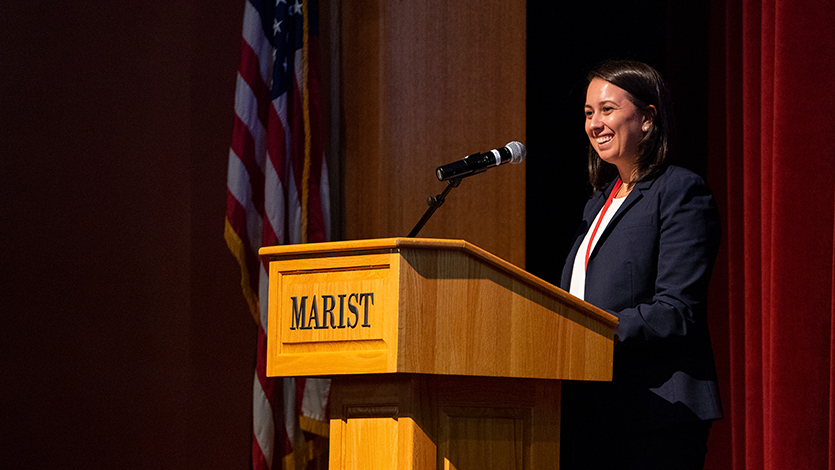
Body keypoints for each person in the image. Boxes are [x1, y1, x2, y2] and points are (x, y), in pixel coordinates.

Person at [559, 60, 722, 470]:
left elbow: (676, 310)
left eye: (608, 109)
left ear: (647, 118)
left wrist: (588, 332)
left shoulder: (680, 192)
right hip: (589, 411)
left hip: (655, 415)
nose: (595, 123)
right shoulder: (597, 203)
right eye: (588, 113)